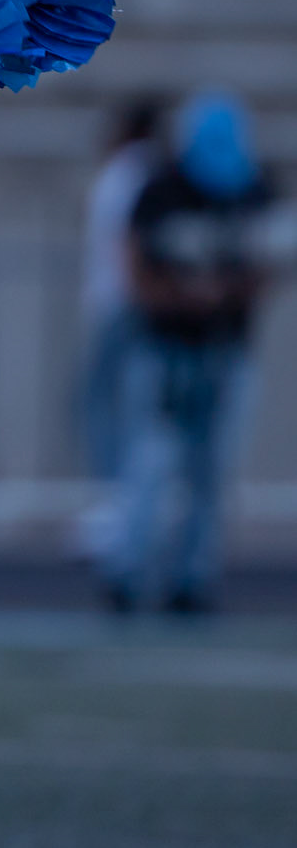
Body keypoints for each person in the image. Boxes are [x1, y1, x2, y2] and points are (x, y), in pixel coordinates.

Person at [94, 96, 277, 614]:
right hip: (164, 348)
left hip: (225, 350)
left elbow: (267, 264)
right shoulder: (161, 190)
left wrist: (225, 293)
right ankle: (129, 570)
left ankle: (193, 578)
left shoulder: (253, 190)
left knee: (212, 469)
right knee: (151, 460)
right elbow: (135, 263)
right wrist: (180, 297)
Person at [78, 100, 164, 482]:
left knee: (100, 400)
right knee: (124, 399)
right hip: (131, 300)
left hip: (122, 301)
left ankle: (115, 485)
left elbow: (126, 243)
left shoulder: (127, 176)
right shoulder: (150, 172)